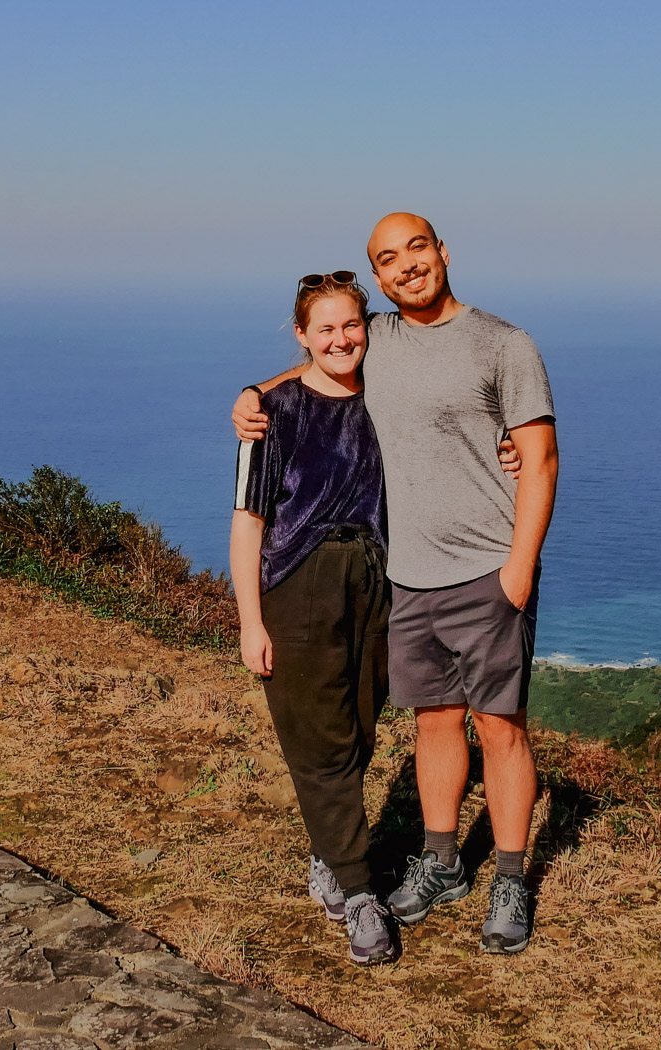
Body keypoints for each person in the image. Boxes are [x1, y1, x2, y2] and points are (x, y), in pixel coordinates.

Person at [234, 213, 559, 954]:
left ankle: (510, 876)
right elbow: (323, 361)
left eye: (418, 247)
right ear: (378, 279)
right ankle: (441, 860)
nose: (407, 265)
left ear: (443, 252)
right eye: (389, 258)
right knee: (435, 723)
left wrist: (518, 566)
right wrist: (255, 394)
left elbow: (539, 459)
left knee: (501, 728)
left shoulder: (506, 344)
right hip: (405, 577)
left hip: (486, 569)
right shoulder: (378, 336)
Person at [230, 271, 399, 965]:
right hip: (297, 583)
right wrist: (250, 621)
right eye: (323, 328)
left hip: (378, 581)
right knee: (319, 739)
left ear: (370, 328)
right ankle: (361, 893)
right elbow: (248, 520)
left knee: (360, 728)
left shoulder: (390, 395)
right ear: (302, 335)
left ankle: (328, 854)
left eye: (351, 326)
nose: (340, 339)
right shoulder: (273, 413)